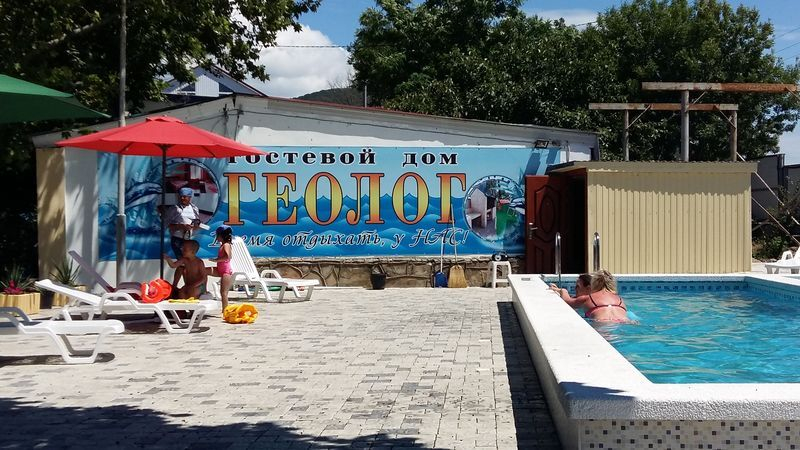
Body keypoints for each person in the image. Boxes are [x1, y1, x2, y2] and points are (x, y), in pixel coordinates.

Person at [550, 270, 630, 322]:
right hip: (625, 321)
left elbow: (567, 301)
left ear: (593, 284)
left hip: (602, 322)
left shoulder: (588, 298)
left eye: (577, 287)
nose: (575, 289)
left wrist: (563, 291)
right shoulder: (620, 300)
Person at [165, 187, 200, 288]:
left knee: (184, 265)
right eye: (181, 196)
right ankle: (187, 286)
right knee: (183, 264)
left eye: (185, 197)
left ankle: (176, 286)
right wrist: (181, 226)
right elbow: (166, 224)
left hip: (188, 239)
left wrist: (195, 226)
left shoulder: (194, 208)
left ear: (190, 197)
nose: (183, 198)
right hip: (178, 239)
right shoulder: (174, 209)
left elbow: (197, 223)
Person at [207, 225, 234, 309]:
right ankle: (204, 290)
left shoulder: (226, 245)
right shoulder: (222, 245)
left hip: (226, 272)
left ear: (222, 236)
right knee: (204, 271)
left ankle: (225, 310)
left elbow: (228, 257)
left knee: (223, 293)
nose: (216, 237)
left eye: (217, 235)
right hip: (220, 270)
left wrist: (216, 260)